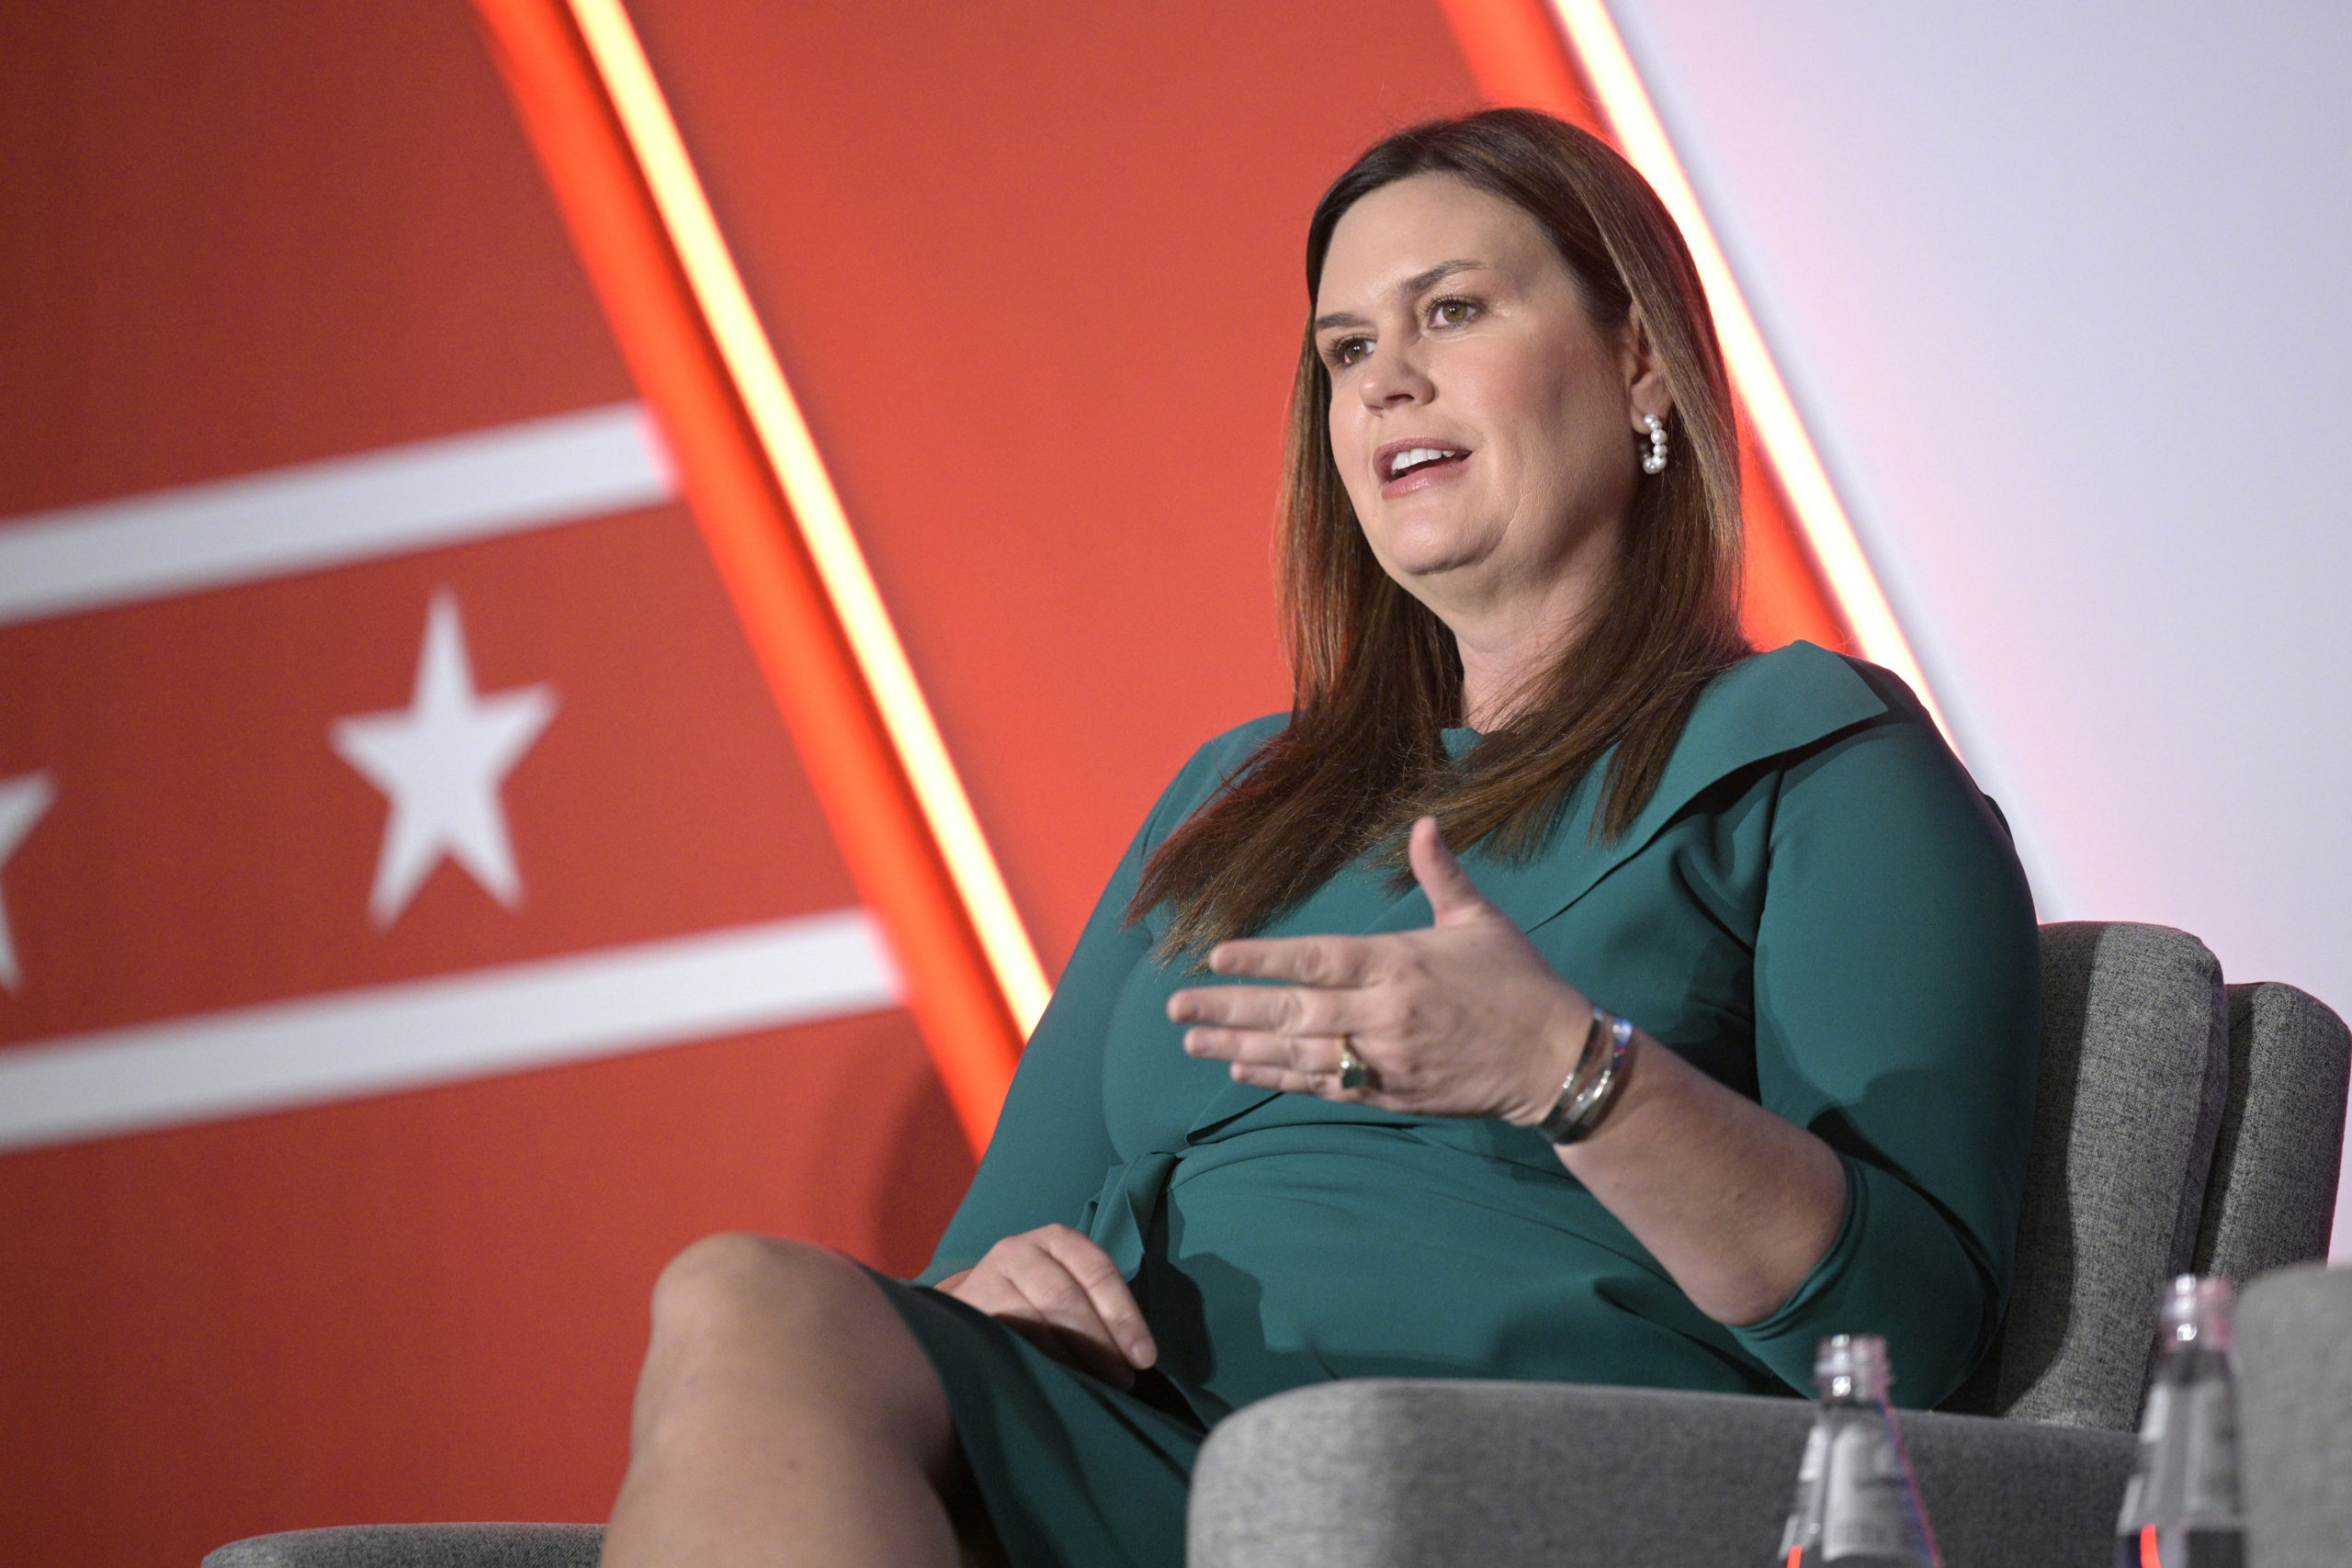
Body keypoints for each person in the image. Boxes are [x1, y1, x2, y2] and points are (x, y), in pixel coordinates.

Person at [599, 108, 2041, 1568]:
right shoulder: (1241, 798)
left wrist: (1566, 1073)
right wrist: (998, 1292)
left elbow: (1909, 1340)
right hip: (1141, 1451)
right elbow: (977, 1261)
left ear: (1639, 358)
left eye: (1452, 312)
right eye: (1348, 351)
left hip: (1515, 1479)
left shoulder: (1810, 756)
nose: (1387, 381)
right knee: (748, 1297)